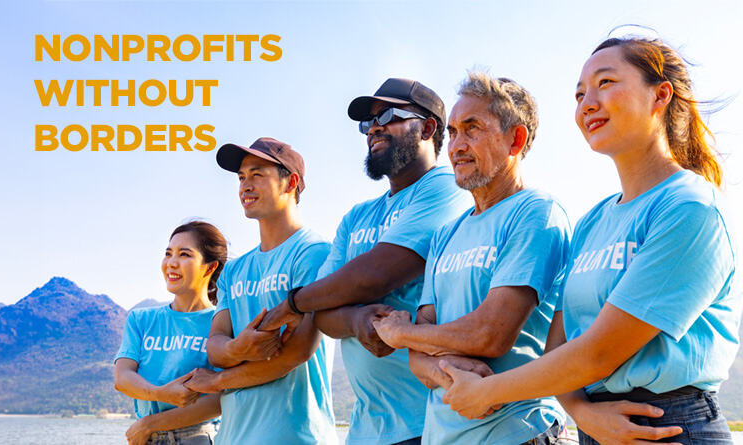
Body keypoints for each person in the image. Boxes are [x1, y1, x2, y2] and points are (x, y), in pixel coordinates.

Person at [437, 36, 741, 445]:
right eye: (580, 94)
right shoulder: (593, 222)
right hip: (597, 425)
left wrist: (484, 392)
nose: (587, 103)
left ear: (660, 96)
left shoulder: (690, 207)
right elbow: (558, 347)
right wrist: (583, 414)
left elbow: (598, 352)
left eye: (606, 82)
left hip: (671, 425)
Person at [258, 78, 472, 445]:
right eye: (367, 122)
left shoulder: (445, 188)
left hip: (434, 422)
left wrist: (293, 303)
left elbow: (373, 276)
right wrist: (356, 320)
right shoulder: (356, 217)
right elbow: (323, 313)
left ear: (428, 127)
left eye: (387, 115)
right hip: (366, 431)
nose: (373, 127)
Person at [371, 72, 570, 445]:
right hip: (443, 436)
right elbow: (416, 358)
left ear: (516, 139)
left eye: (473, 129)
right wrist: (447, 372)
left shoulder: (536, 213)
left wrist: (400, 334)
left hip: (517, 432)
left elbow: (490, 334)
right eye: (454, 131)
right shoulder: (447, 233)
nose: (457, 145)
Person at [182, 137, 337, 444]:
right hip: (234, 436)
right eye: (241, 178)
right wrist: (236, 349)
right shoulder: (236, 270)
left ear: (290, 183)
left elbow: (296, 353)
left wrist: (218, 381)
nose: (245, 186)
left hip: (296, 436)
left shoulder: (314, 253)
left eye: (257, 175)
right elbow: (214, 345)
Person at [114, 221, 227, 445]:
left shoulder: (222, 322)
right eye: (168, 254)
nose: (171, 263)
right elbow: (122, 377)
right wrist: (160, 394)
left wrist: (150, 424)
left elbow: (219, 399)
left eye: (184, 254)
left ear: (209, 267)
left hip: (198, 437)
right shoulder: (141, 320)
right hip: (144, 437)